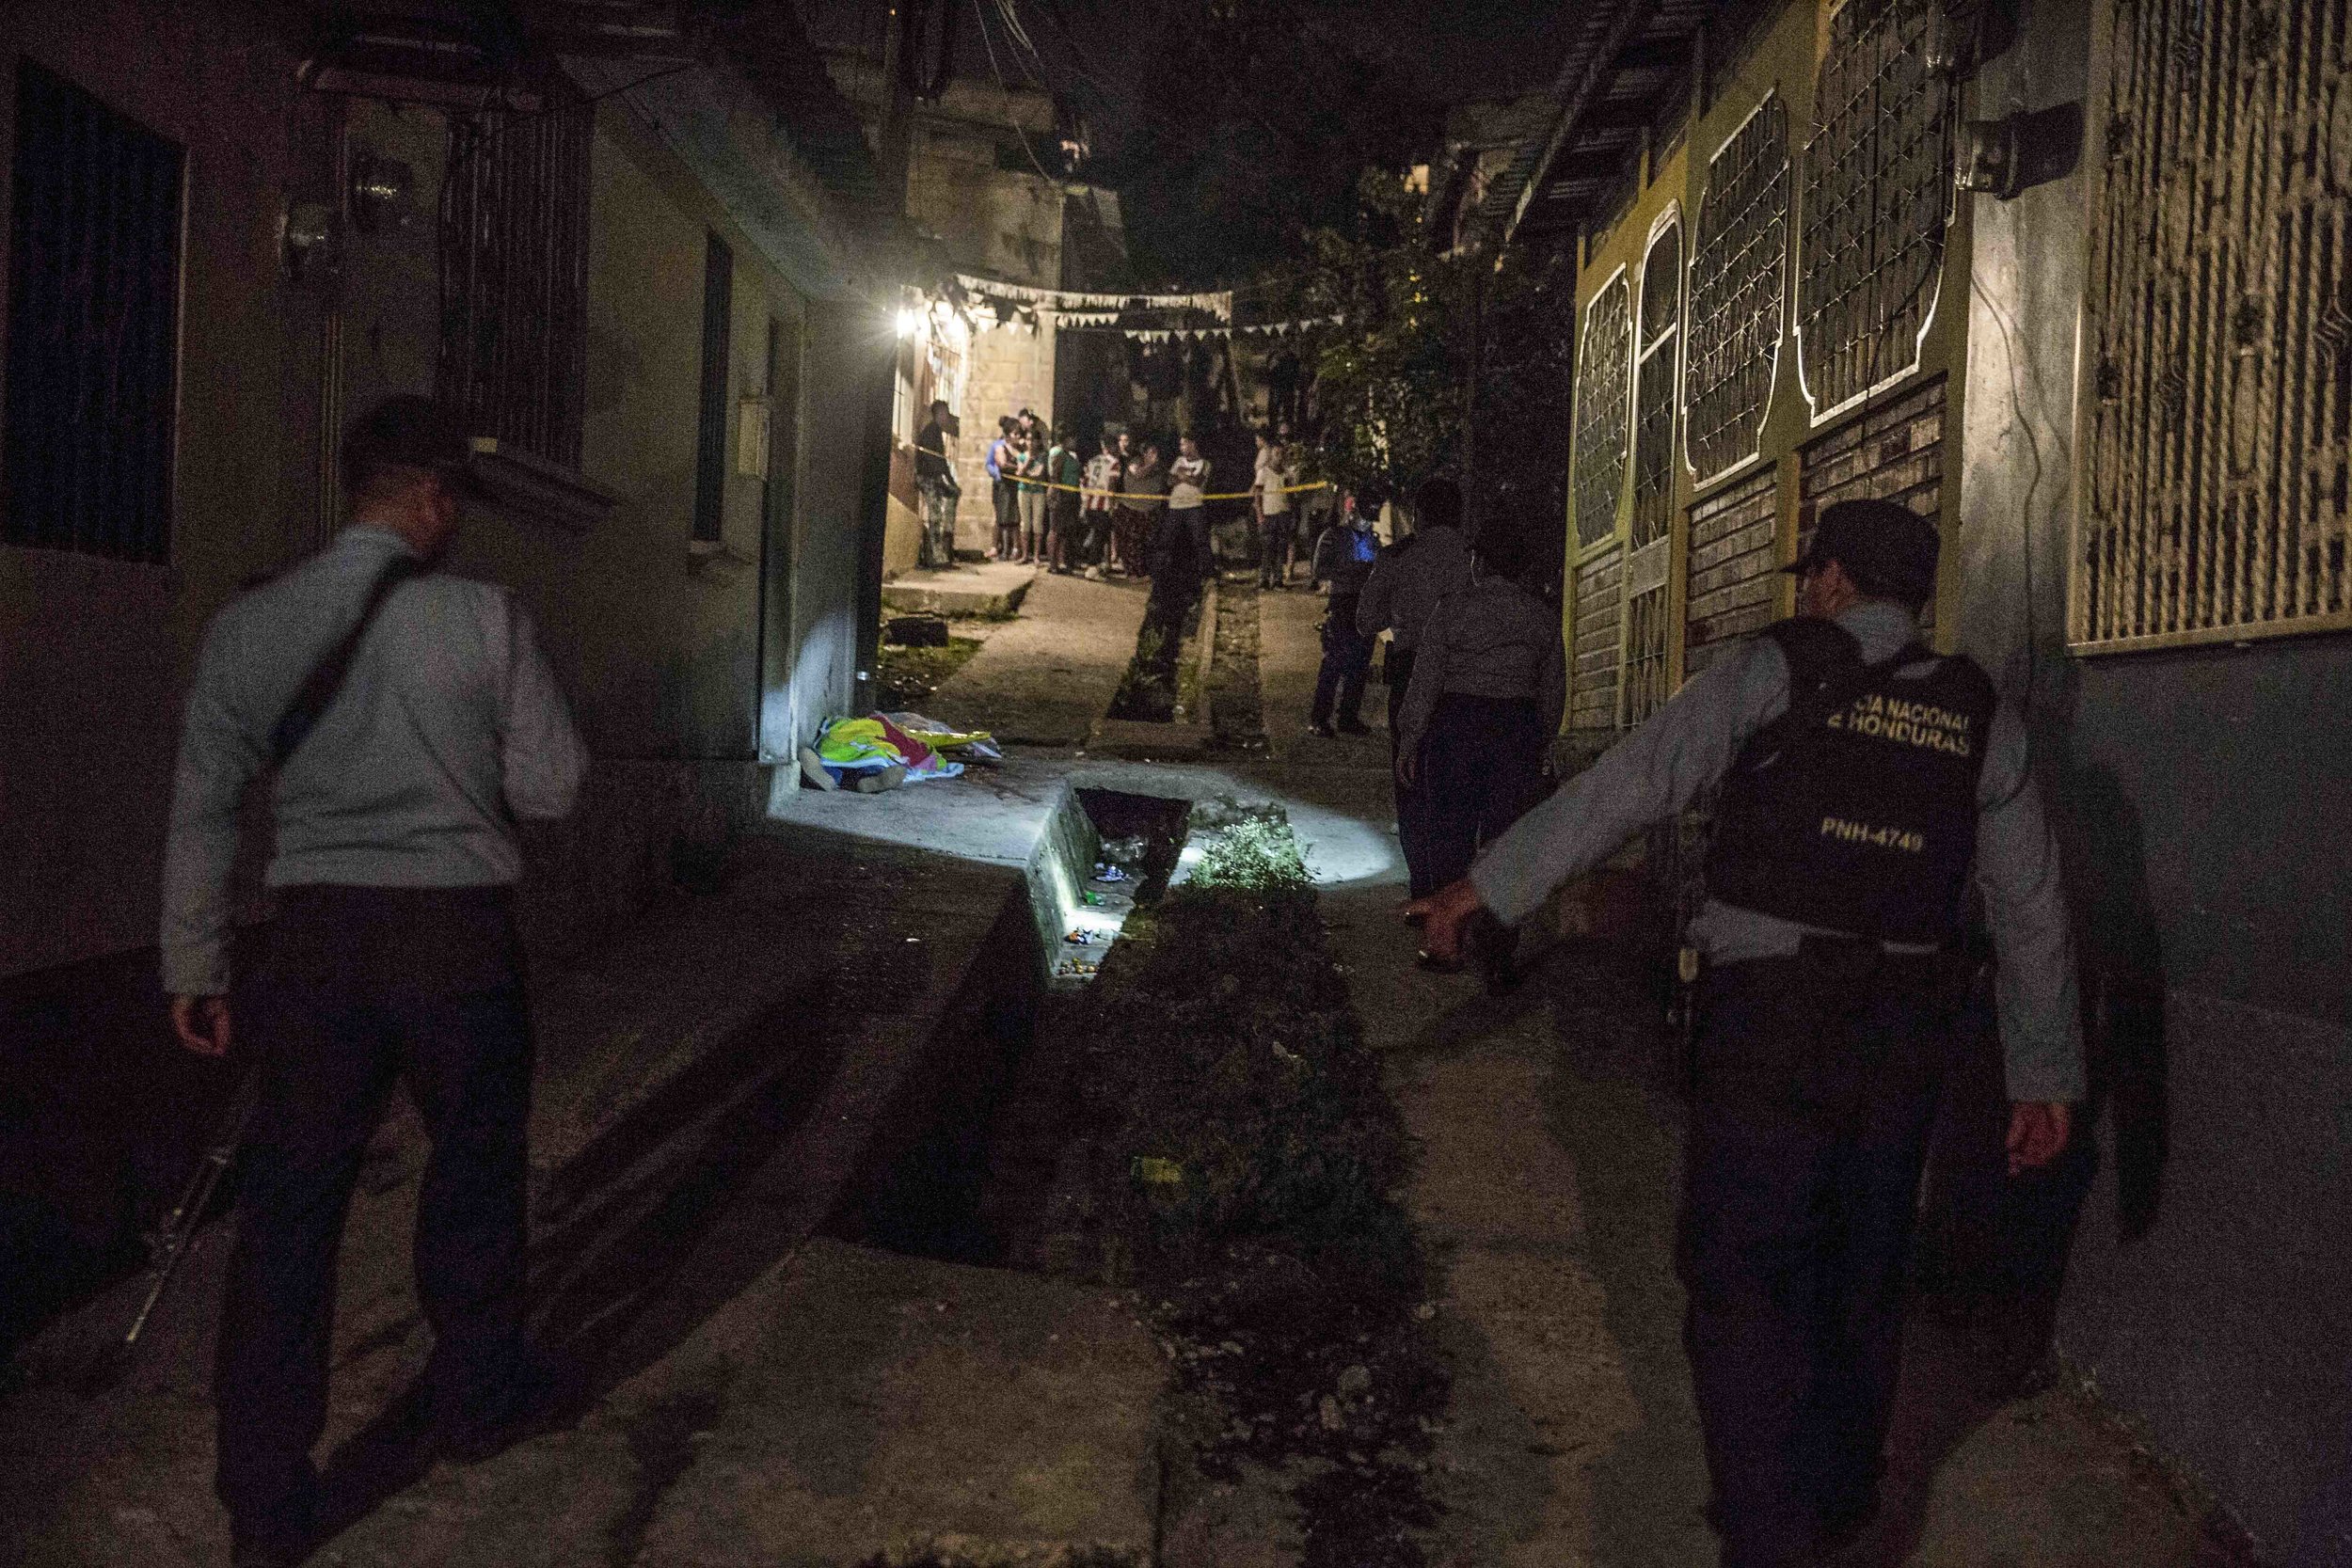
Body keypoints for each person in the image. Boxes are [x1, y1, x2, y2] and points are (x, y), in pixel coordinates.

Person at [1407, 499, 2082, 1568]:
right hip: (1907, 1026)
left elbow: (1630, 785)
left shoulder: (1770, 671)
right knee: (1863, 1268)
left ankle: (1766, 1530)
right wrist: (2045, 1075)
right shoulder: (1976, 711)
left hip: (1771, 1017)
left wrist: (1486, 889)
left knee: (1742, 1265)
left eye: (1811, 573)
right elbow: (2031, 903)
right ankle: (1839, 1503)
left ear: (1830, 581)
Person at [161, 396, 588, 1567]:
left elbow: (203, 806)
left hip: (317, 945)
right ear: (434, 498)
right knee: (473, 1174)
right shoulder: (487, 619)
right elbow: (552, 788)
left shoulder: (249, 626)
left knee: (292, 1209)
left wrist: (193, 961)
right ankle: (475, 1396)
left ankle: (264, 1496)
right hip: (456, 940)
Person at [1392, 524, 1563, 899]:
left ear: (1479, 563)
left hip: (1457, 724)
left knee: (1450, 835)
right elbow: (1552, 692)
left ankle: (1447, 933)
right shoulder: (1541, 617)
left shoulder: (1453, 609)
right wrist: (1543, 740)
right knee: (1506, 838)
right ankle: (1494, 935)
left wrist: (1410, 738)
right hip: (1516, 727)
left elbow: (1427, 679)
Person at [1359, 477, 1476, 895]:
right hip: (1467, 679)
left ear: (1418, 515)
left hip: (1410, 672)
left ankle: (1424, 886)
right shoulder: (1473, 558)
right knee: (1457, 784)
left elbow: (1365, 622)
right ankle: (1453, 883)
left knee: (1410, 780)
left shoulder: (1399, 558)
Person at [1307, 485, 1382, 736]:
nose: (1368, 520)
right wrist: (1353, 571)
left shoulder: (1371, 539)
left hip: (1366, 604)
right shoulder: (1333, 536)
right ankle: (1319, 718)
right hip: (1343, 602)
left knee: (1360, 665)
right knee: (1334, 663)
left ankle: (1348, 717)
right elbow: (1319, 571)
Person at [914, 398, 960, 568]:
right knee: (935, 516)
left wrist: (950, 481)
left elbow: (941, 461)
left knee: (940, 512)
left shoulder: (935, 431)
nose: (947, 418)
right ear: (940, 414)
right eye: (946, 414)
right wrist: (945, 480)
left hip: (932, 477)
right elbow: (934, 460)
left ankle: (941, 551)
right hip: (928, 478)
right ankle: (935, 555)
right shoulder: (931, 431)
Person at [1253, 430, 1299, 590]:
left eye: (1281, 454)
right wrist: (1259, 515)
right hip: (1269, 515)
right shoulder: (1263, 473)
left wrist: (1292, 514)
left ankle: (1278, 580)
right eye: (1276, 453)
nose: (1279, 457)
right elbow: (1257, 495)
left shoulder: (1287, 474)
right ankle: (1264, 580)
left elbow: (1292, 496)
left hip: (1283, 514)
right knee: (1267, 549)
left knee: (1281, 549)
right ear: (1271, 454)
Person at [1167, 434, 1213, 582]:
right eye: (1180, 445)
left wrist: (1181, 475)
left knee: (1200, 540)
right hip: (1176, 505)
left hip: (1194, 505)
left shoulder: (1205, 463)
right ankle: (1171, 571)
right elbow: (1169, 480)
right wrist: (1184, 476)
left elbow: (1197, 481)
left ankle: (1206, 572)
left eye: (1184, 444)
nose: (1182, 448)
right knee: (1172, 539)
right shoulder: (1178, 461)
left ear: (1193, 444)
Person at [1120, 441, 1168, 578]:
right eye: (1152, 452)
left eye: (1156, 452)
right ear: (1144, 453)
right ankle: (1133, 573)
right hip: (1133, 510)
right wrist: (1151, 464)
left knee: (1149, 543)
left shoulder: (1160, 468)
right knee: (1132, 543)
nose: (1155, 456)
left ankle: (1147, 571)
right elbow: (1138, 474)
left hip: (1151, 510)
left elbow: (1167, 481)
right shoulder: (1135, 463)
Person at [1083, 432, 1123, 578]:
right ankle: (1092, 567)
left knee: (1098, 535)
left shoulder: (1093, 460)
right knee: (1100, 537)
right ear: (1112, 446)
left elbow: (1086, 481)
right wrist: (1112, 505)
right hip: (1103, 505)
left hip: (1090, 502)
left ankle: (1098, 565)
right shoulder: (1114, 463)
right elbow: (1112, 485)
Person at [1045, 427, 1085, 574]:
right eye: (1073, 439)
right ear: (1067, 439)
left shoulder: (1070, 456)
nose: (1075, 442)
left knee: (1066, 530)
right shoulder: (1059, 455)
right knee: (1055, 529)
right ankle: (1052, 563)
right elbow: (1055, 476)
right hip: (1062, 495)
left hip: (1072, 495)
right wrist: (1055, 496)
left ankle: (1062, 561)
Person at [987, 416, 1019, 562]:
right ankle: (1003, 550)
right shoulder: (999, 446)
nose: (1018, 436)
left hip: (1013, 486)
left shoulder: (1017, 448)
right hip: (1003, 486)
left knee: (1014, 518)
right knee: (1003, 518)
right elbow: (1001, 464)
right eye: (1015, 433)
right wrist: (1018, 467)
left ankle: (1012, 549)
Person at [1015, 429, 1047, 564]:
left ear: (1038, 441)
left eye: (1033, 440)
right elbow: (1020, 473)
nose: (1030, 443)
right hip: (1024, 490)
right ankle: (1025, 554)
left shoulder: (1043, 456)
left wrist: (1026, 472)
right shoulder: (1022, 456)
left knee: (1037, 522)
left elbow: (1039, 474)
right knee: (1025, 522)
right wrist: (1029, 461)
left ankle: (1036, 556)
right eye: (1028, 439)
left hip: (1038, 491)